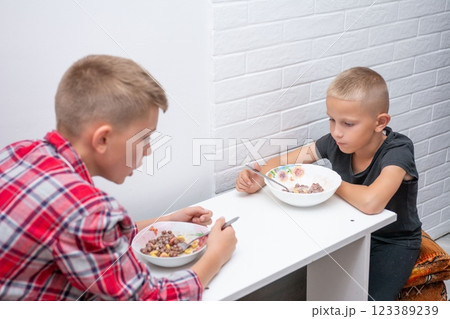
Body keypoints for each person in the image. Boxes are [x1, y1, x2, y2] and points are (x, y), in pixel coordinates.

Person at [0, 55, 237, 301]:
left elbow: (91, 239)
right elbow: (150, 301)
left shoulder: (19, 151)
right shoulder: (85, 210)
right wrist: (216, 256)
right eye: (144, 138)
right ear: (103, 139)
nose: (149, 150)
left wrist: (166, 221)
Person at [236, 67, 422, 301]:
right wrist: (261, 178)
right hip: (349, 230)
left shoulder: (399, 150)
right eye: (332, 120)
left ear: (380, 122)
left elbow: (372, 202)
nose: (336, 132)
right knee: (327, 294)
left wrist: (327, 182)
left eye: (348, 123)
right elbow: (284, 163)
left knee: (367, 301)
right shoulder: (336, 142)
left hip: (392, 241)